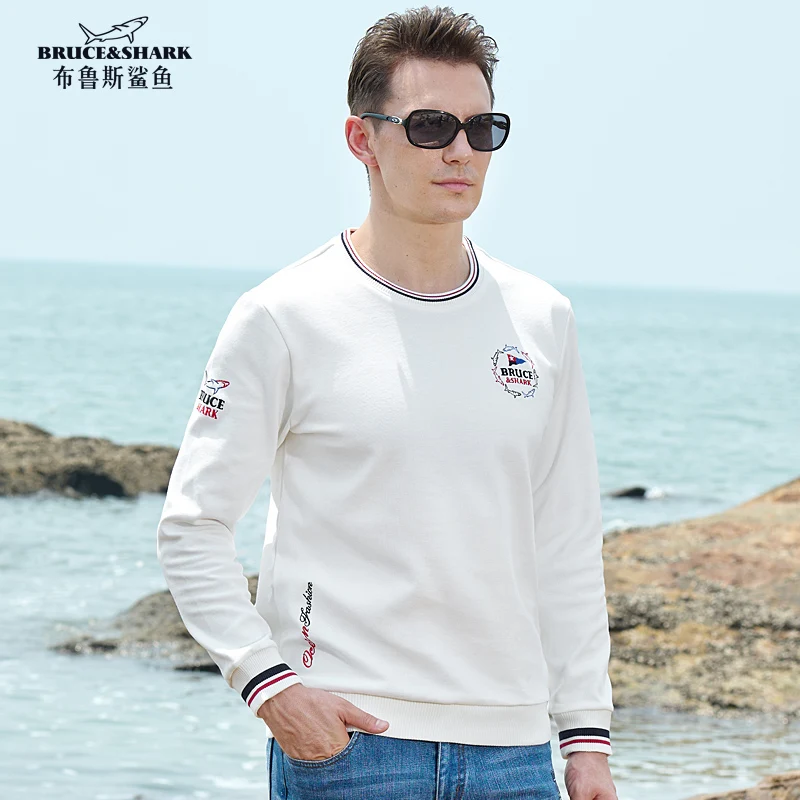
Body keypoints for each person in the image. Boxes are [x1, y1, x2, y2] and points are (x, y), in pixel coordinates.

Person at [156, 5, 618, 799]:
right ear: (361, 139)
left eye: (482, 128)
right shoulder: (283, 316)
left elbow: (567, 542)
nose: (461, 151)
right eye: (431, 126)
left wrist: (586, 736)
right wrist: (270, 687)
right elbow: (192, 526)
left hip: (515, 754)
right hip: (352, 750)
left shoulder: (543, 319)